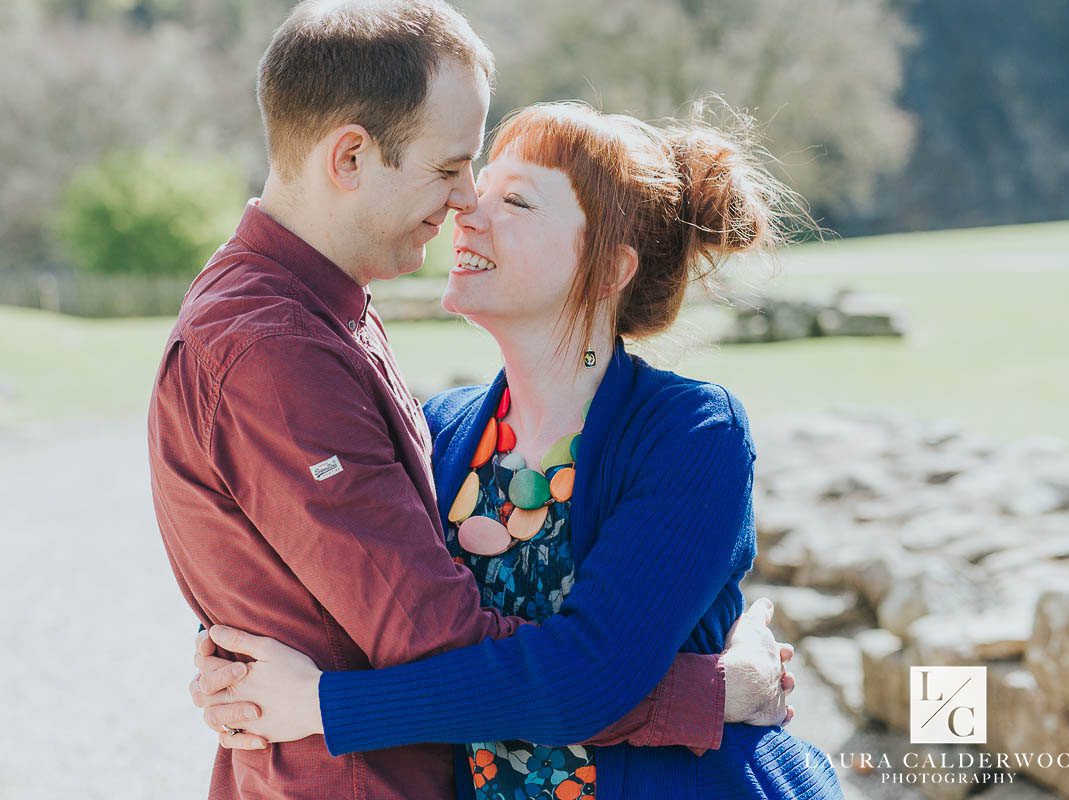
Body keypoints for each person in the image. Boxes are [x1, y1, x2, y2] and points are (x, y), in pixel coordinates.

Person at [149, 2, 796, 799]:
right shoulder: (412, 407)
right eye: (456, 171)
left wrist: (319, 703)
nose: (465, 206)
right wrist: (710, 692)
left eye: (510, 198)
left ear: (608, 267)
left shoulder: (685, 432)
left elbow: (566, 664)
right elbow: (428, 639)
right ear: (349, 157)